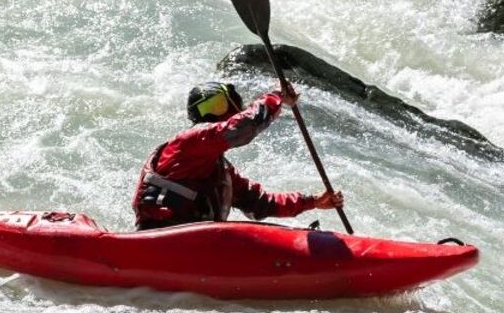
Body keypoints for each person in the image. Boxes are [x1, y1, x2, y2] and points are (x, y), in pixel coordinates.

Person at [133, 81, 345, 230]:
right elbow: (243, 126)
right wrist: (276, 96)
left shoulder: (222, 172)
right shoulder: (187, 143)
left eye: (218, 105)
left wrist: (312, 201)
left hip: (199, 244)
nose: (212, 113)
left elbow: (260, 203)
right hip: (163, 236)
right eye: (208, 107)